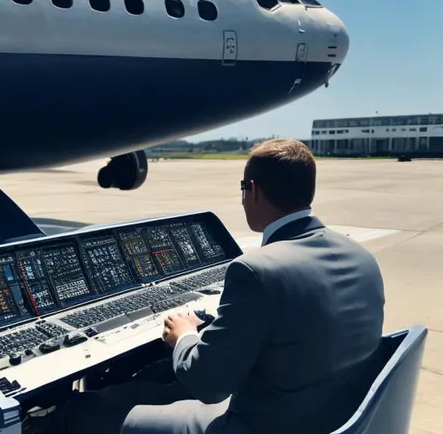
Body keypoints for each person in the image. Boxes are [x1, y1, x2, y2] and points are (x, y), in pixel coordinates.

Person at [29, 138, 385, 434]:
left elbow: (209, 386)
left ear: (253, 191)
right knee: (152, 383)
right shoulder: (360, 257)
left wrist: (183, 335)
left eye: (243, 189)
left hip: (257, 424)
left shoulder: (256, 272)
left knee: (83, 410)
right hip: (327, 415)